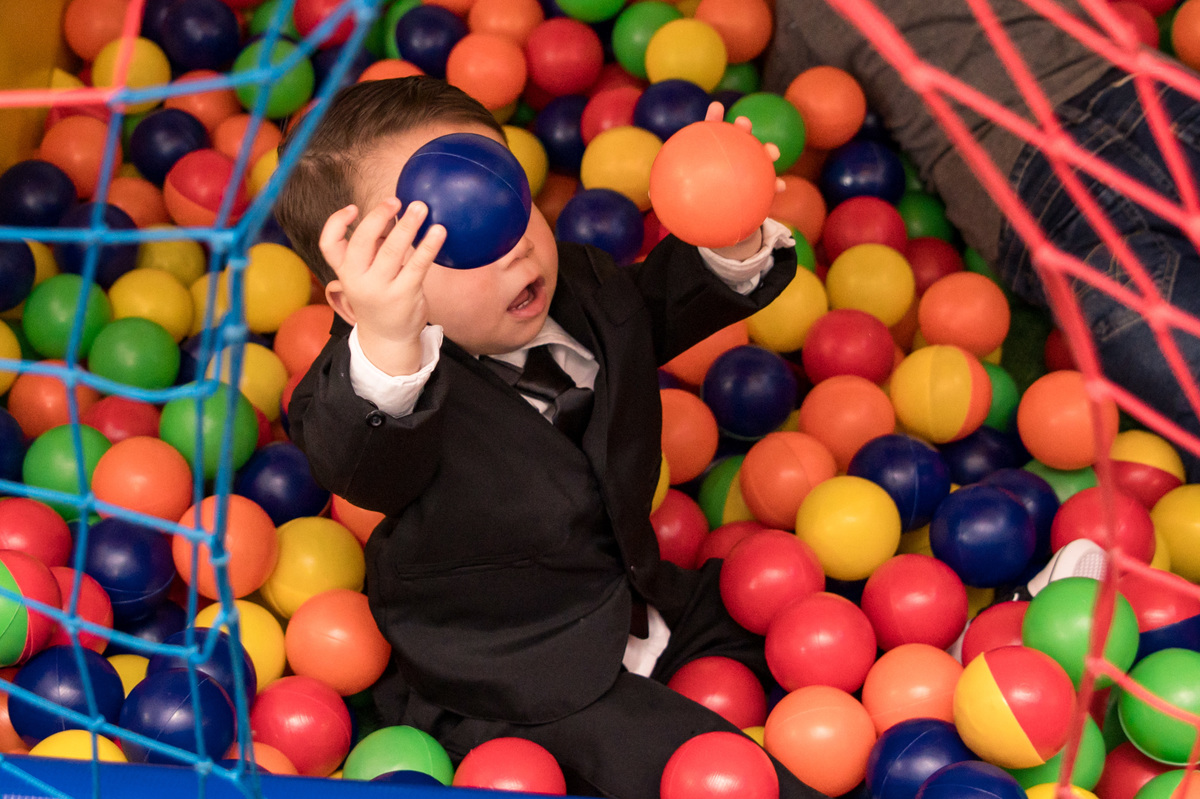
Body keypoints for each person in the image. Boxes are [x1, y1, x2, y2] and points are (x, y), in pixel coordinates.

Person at [277, 76, 825, 798]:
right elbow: (359, 453)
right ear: (364, 300)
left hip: (636, 595)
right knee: (707, 769)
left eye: (506, 199)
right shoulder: (372, 391)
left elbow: (658, 304)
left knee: (800, 629)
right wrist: (386, 343)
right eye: (450, 235)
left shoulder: (589, 287)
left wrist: (730, 235)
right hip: (515, 663)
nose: (511, 248)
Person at [766, 0, 1200, 479]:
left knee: (1156, 339)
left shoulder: (806, 13)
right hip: (1117, 112)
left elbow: (784, 127)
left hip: (1045, 163)